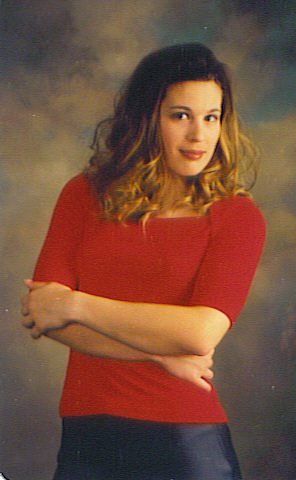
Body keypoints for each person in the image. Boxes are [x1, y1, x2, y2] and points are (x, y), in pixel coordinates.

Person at [21, 43, 265, 480]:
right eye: (180, 116)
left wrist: (76, 304)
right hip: (86, 437)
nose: (199, 135)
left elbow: (199, 333)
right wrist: (159, 357)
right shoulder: (83, 194)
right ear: (146, 118)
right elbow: (44, 315)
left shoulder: (236, 216)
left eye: (212, 117)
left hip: (187, 442)